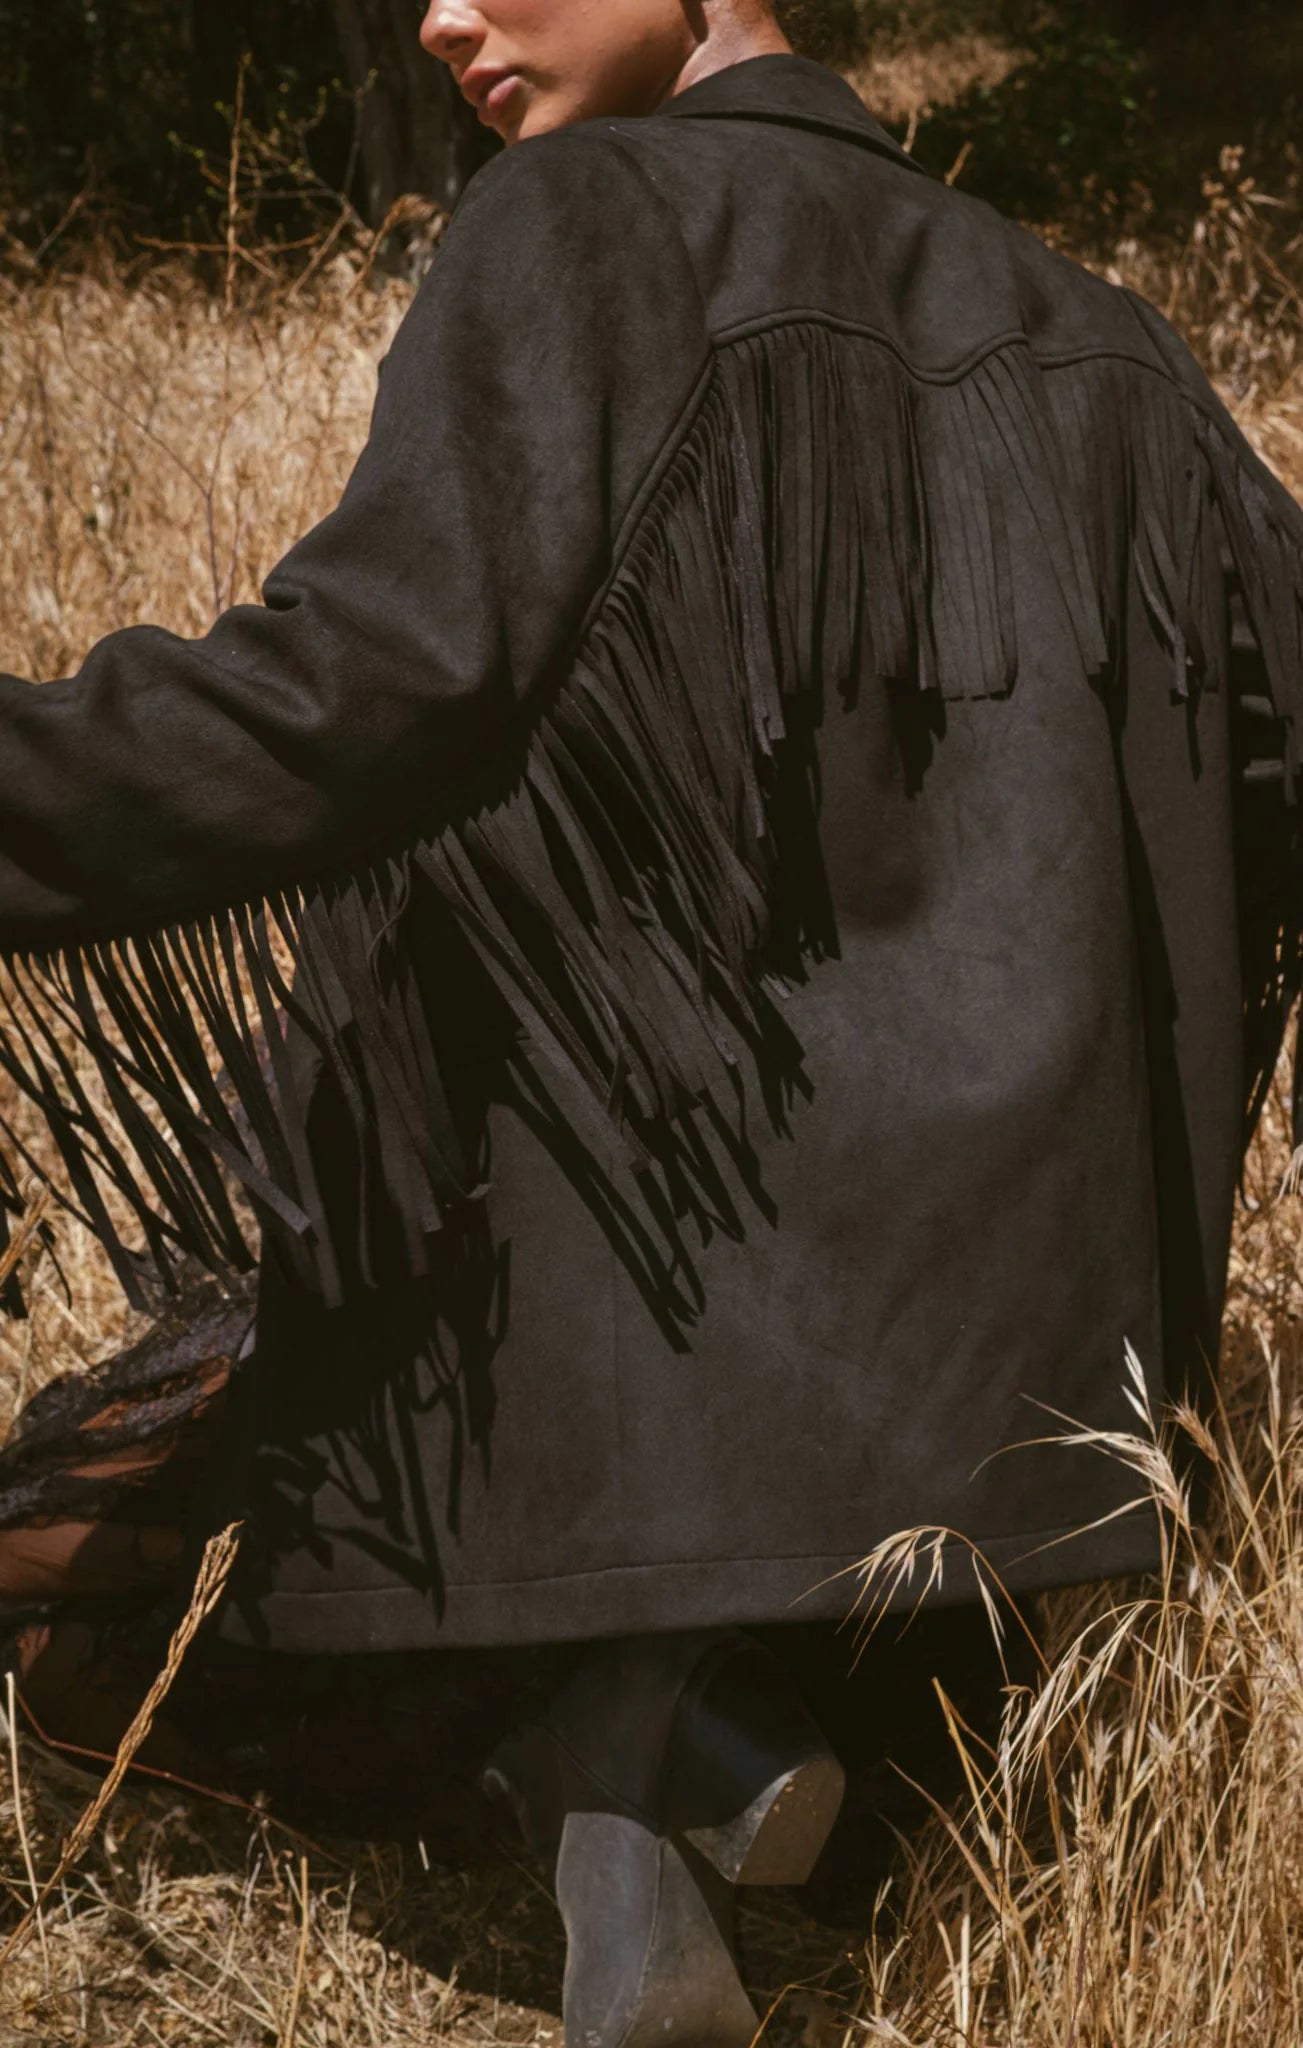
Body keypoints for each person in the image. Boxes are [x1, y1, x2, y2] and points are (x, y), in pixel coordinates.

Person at [0, 0, 1301, 2036]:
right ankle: (685, 1765)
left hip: (618, 1408)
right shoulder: (1114, 341)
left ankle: (616, 1720)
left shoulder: (580, 219)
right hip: (1017, 1447)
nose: (440, 15)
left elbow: (370, 689)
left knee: (78, 1568)